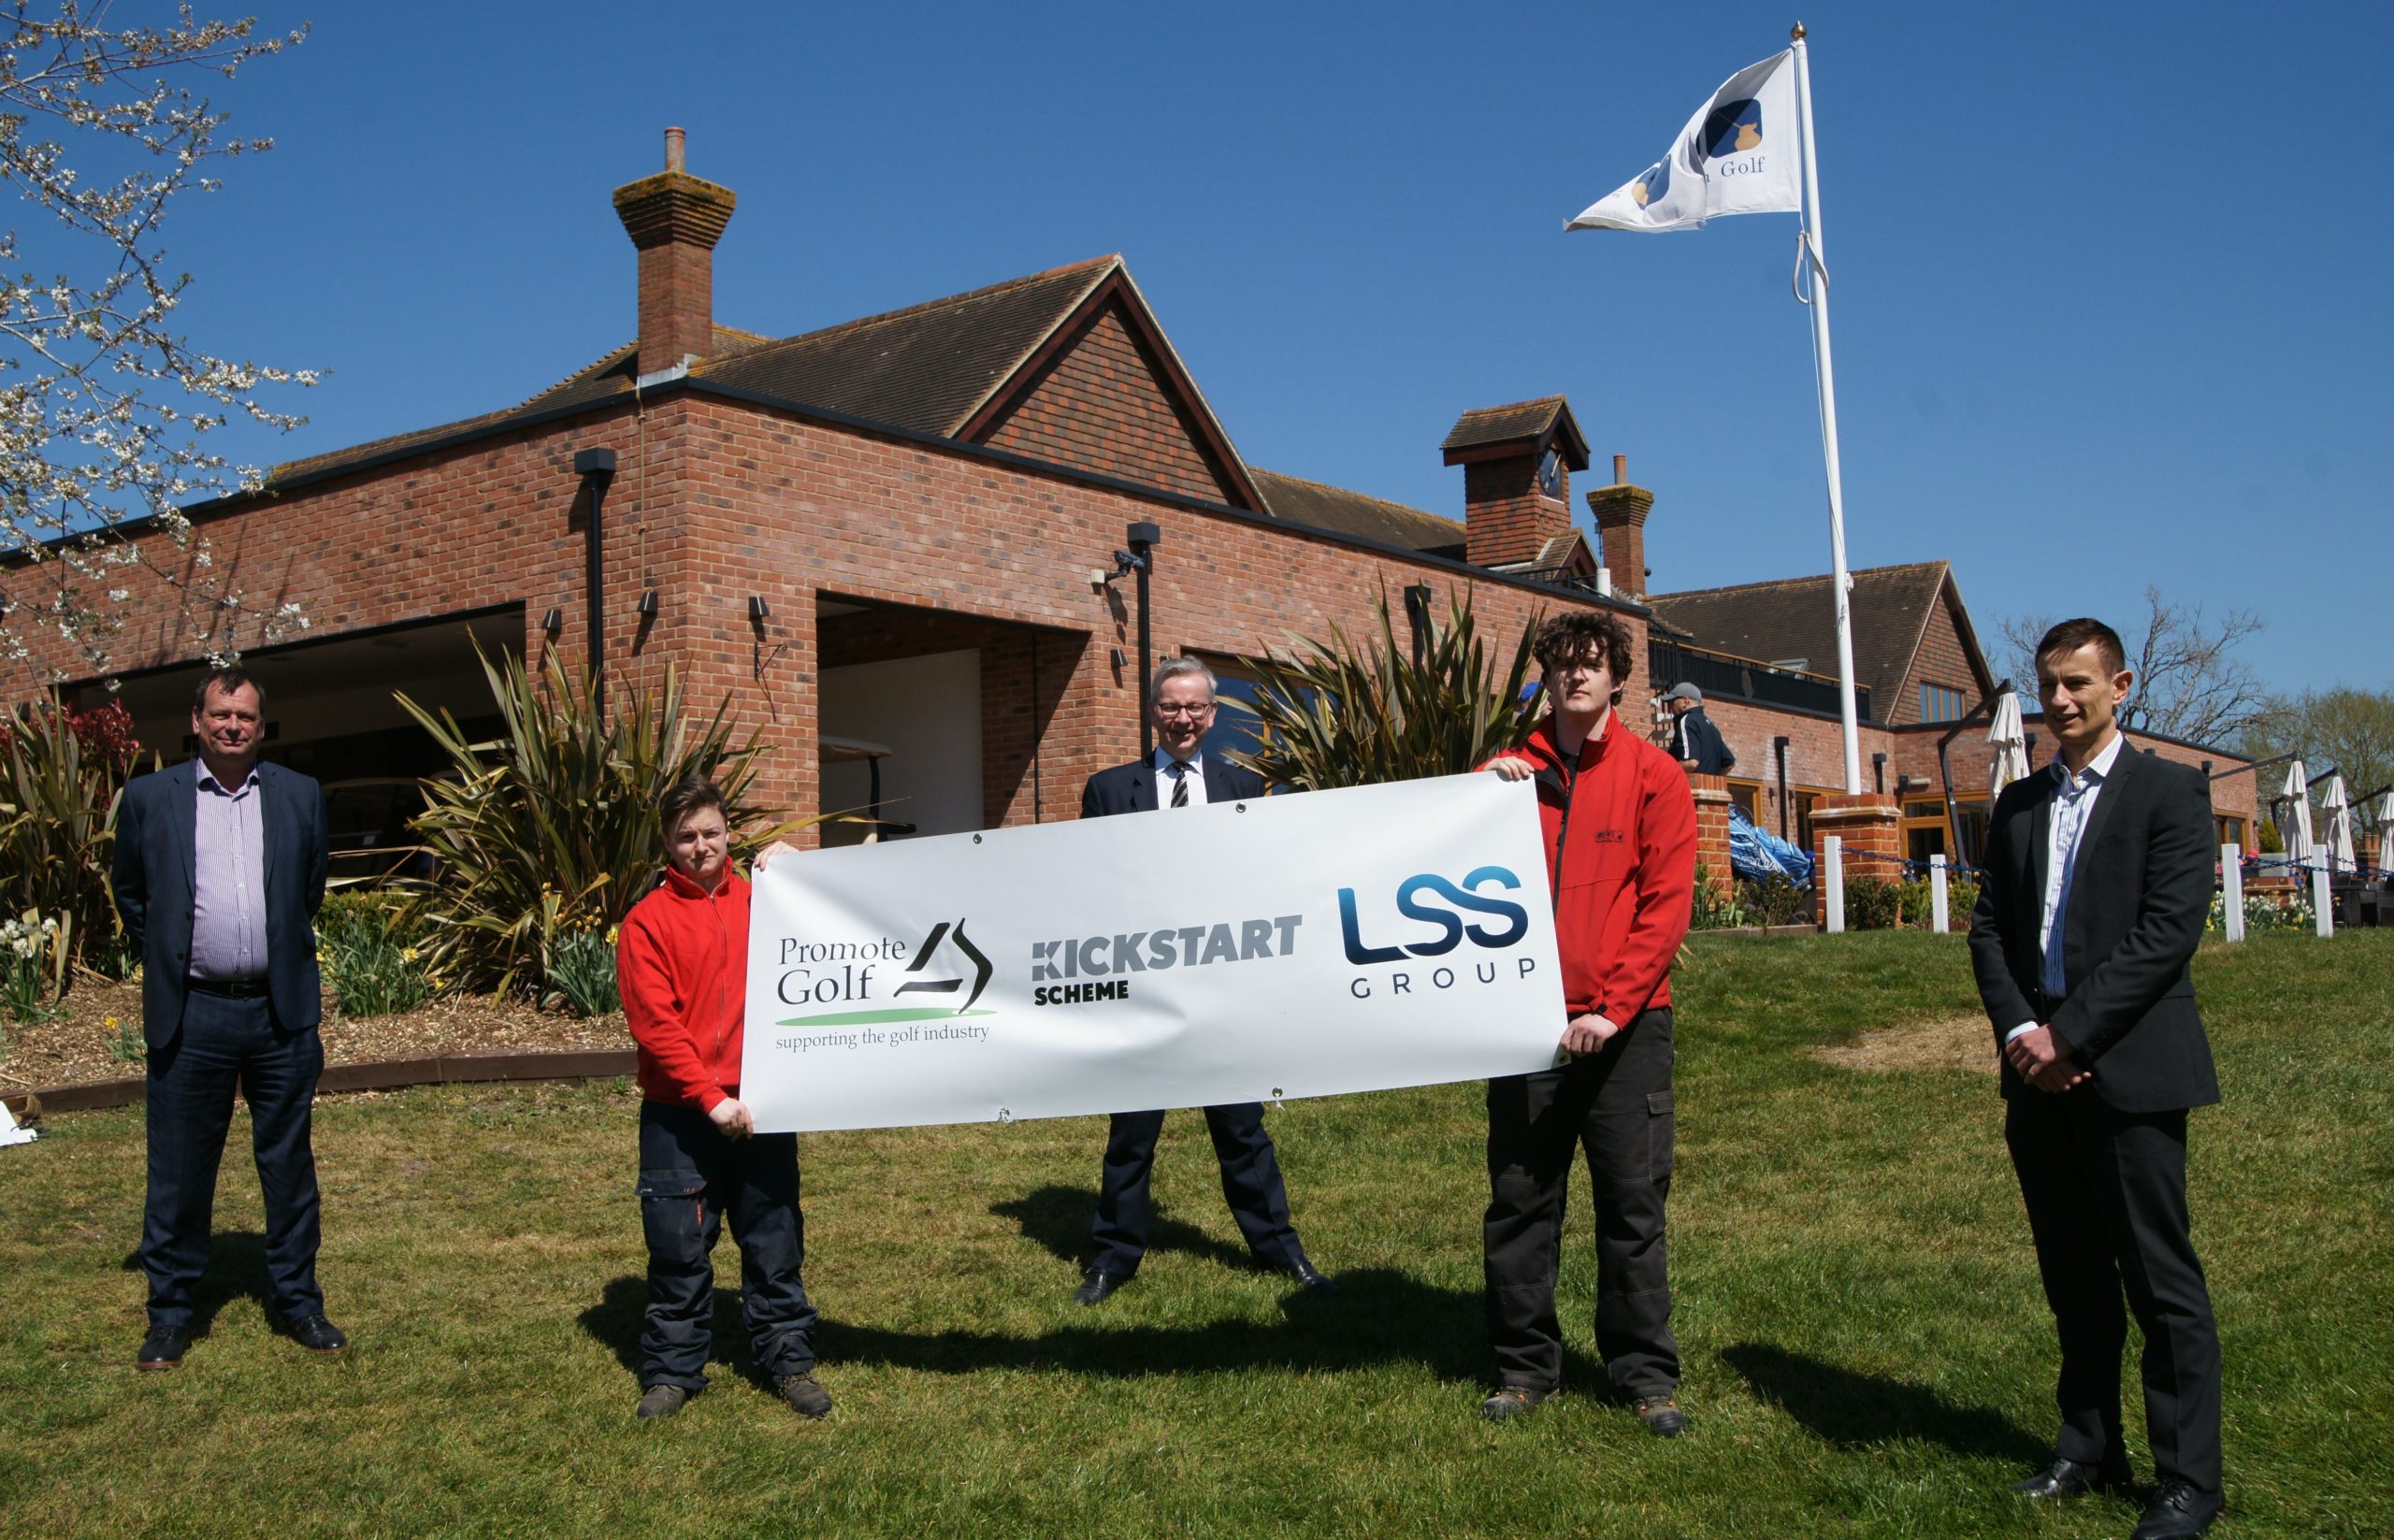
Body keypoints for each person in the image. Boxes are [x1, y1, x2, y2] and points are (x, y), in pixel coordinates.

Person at [1968, 618, 2224, 1540]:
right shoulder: (2021, 805)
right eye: (2049, 686)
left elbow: (2165, 935)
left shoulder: (2168, 794)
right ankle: (2087, 1446)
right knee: (2073, 1279)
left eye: (2079, 684)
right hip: (2035, 1080)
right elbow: (1989, 931)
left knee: (2160, 1284)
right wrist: (2021, 1032)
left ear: (2121, 685)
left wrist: (2071, 1035)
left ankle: (2188, 1480)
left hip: (2132, 1077)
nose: (2061, 701)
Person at [1480, 612, 1695, 1433]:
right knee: (1521, 1200)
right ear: (1547, 675)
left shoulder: (1654, 775)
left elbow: (1665, 906)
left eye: (1593, 664)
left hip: (1628, 1026)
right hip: (1526, 1022)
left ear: (1617, 677)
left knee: (1633, 1201)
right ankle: (1524, 1367)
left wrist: (1613, 1007)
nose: (1577, 676)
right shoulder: (1503, 776)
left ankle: (1645, 1375)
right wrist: (1481, 795)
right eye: (1564, 664)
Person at [1071, 656, 1333, 1305]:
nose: (1182, 719)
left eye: (1194, 707)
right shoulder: (1108, 790)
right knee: (1130, 1133)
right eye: (1170, 706)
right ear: (1153, 712)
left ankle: (1282, 1250)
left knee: (1242, 1131)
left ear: (1213, 714)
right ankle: (1112, 1258)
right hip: (1144, 987)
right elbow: (1090, 883)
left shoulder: (1243, 787)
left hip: (1222, 990)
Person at [111, 668, 341, 1370]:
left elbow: (309, 892)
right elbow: (132, 893)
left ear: (262, 725)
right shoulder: (153, 798)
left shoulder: (300, 796)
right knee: (179, 1169)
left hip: (278, 1015)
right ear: (197, 719)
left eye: (245, 714)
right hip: (194, 1012)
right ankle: (172, 1313)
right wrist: (178, 949)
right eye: (220, 713)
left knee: (288, 1166)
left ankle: (298, 1299)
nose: (232, 724)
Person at [615, 777, 829, 1420]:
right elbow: (655, 1024)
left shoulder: (769, 899)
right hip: (681, 1115)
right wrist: (710, 1099)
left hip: (762, 1103)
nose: (700, 846)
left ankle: (789, 1361)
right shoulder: (646, 922)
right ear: (667, 843)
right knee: (679, 1246)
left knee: (773, 1240)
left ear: (729, 831)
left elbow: (843, 924)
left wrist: (801, 869)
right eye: (686, 836)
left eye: (710, 831)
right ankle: (673, 1371)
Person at [1663, 683, 1734, 775]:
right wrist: (1711, 782)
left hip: (1690, 788)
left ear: (1686, 701)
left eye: (1672, 702)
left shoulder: (1687, 720)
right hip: (1711, 789)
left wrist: (1665, 774)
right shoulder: (1711, 725)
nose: (1670, 707)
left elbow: (1691, 763)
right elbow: (1729, 763)